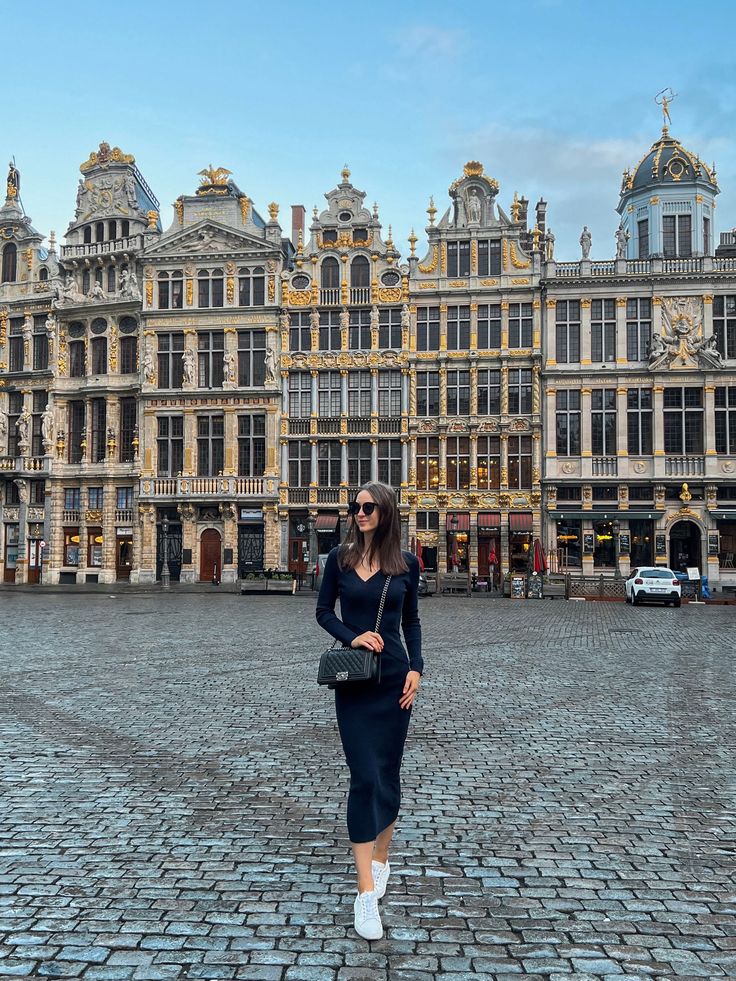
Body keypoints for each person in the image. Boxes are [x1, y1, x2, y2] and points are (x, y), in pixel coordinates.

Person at [316, 480, 423, 941]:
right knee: (363, 777)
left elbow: (412, 621)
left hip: (395, 681)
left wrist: (417, 669)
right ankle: (364, 894)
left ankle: (382, 859)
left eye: (367, 507)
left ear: (385, 512)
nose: (358, 513)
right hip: (355, 683)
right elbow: (323, 612)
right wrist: (351, 636)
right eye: (354, 507)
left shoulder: (407, 565)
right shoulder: (339, 561)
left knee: (387, 774)